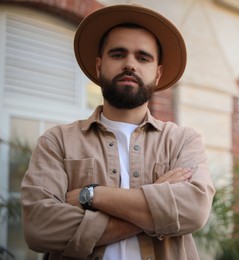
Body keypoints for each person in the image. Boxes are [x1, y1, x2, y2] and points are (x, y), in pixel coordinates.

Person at [21, 4, 215, 260]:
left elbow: (193, 210)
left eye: (142, 57)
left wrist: (91, 195)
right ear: (99, 65)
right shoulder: (57, 141)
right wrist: (158, 206)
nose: (130, 64)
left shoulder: (182, 141)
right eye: (118, 54)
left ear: (157, 74)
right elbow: (40, 228)